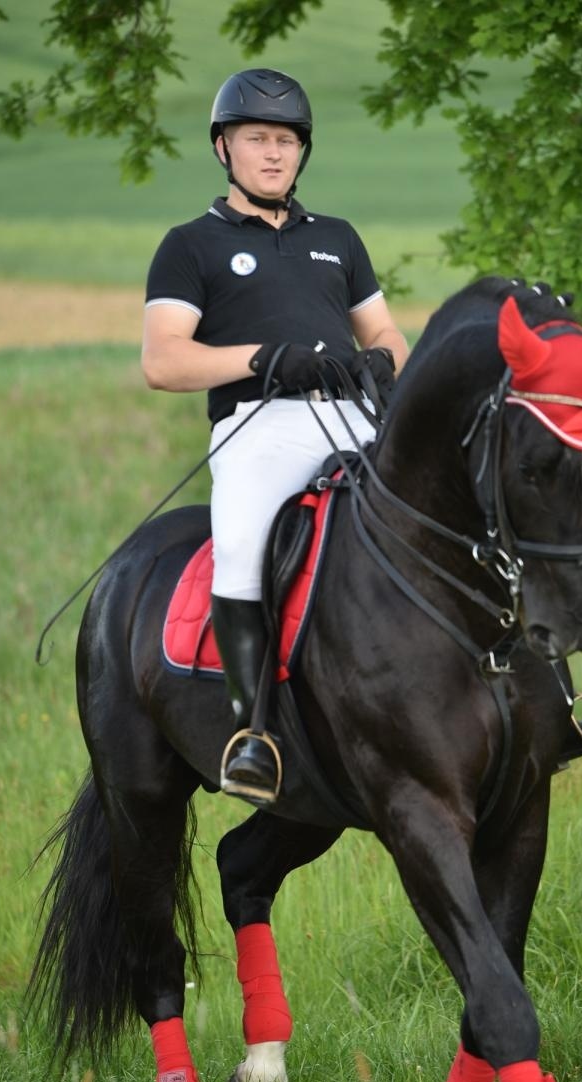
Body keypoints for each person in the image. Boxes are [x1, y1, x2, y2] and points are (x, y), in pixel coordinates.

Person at [142, 68, 409, 805]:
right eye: (256, 138)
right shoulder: (189, 245)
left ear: (302, 152)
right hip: (257, 426)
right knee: (241, 540)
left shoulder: (337, 239)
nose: (273, 153)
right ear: (223, 148)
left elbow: (384, 330)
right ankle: (252, 730)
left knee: (457, 501)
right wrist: (263, 359)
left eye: (286, 141)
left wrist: (382, 360)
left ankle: (541, 691)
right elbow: (163, 360)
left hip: (356, 416)